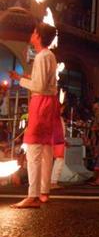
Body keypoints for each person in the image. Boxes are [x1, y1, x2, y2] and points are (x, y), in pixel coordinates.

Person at [9, 23, 64, 208]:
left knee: (33, 149)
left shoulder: (42, 56)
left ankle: (32, 195)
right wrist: (23, 78)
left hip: (41, 103)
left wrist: (22, 81)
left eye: (34, 32)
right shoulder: (50, 56)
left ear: (39, 36)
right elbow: (45, 83)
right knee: (46, 149)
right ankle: (43, 192)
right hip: (49, 104)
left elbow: (39, 87)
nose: (31, 35)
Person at [51, 103, 67, 189]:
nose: (62, 110)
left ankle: (51, 182)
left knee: (55, 161)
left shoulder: (56, 117)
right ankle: (52, 182)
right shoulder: (56, 118)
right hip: (57, 142)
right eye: (62, 109)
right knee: (59, 161)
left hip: (57, 141)